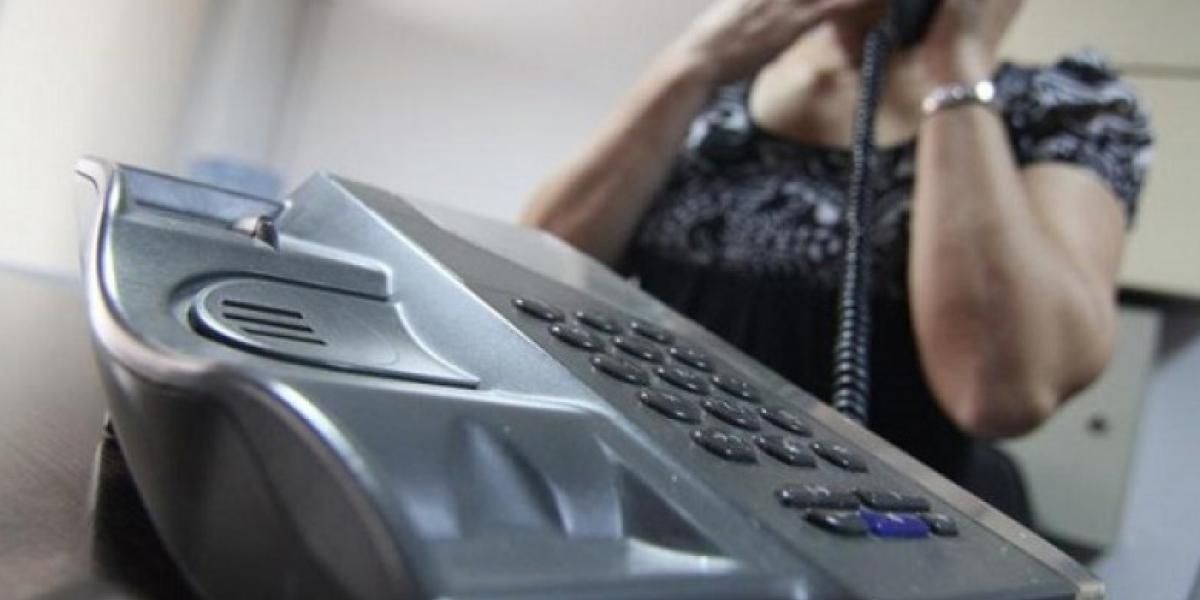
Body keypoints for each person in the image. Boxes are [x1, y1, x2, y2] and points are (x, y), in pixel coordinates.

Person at [521, 0, 1152, 486]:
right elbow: (530, 281)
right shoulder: (726, 80)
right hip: (650, 476)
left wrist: (957, 62)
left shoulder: (1057, 107)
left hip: (862, 525)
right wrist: (693, 62)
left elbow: (998, 392)